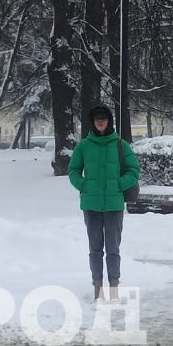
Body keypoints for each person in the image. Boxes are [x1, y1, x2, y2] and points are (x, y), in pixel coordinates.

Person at [68, 105, 140, 303]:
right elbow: (73, 170)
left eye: (104, 118)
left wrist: (118, 184)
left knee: (113, 248)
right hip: (91, 205)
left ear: (109, 121)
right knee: (95, 249)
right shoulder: (83, 146)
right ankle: (97, 287)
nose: (100, 121)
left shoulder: (120, 144)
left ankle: (114, 285)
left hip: (114, 206)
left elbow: (134, 170)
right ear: (92, 122)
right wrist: (84, 185)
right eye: (97, 118)